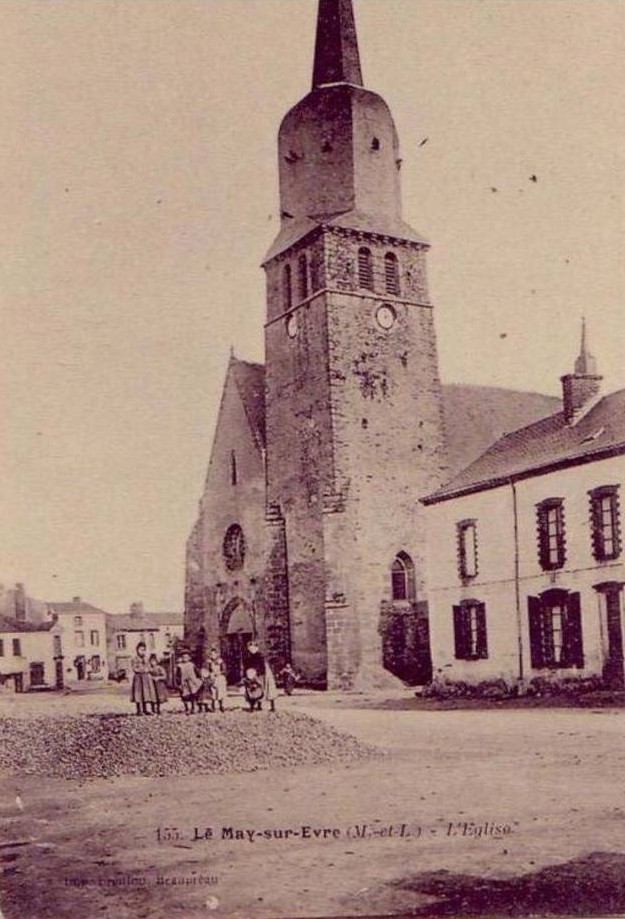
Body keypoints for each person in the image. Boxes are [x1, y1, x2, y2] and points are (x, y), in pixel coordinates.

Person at [243, 641, 277, 713]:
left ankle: (272, 706)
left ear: (257, 648)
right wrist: (247, 674)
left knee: (267, 689)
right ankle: (255, 706)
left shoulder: (260, 656)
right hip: (252, 675)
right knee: (252, 690)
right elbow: (246, 667)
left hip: (262, 674)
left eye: (253, 648)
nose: (252, 650)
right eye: (250, 648)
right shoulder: (248, 657)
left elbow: (262, 667)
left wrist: (257, 673)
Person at [131, 641, 157, 716]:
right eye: (141, 650)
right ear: (137, 650)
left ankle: (145, 709)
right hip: (138, 678)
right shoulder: (134, 659)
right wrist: (142, 670)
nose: (142, 652)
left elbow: (149, 667)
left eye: (144, 650)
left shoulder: (146, 659)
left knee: (146, 694)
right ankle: (139, 710)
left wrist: (149, 670)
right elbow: (135, 668)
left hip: (146, 679)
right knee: (138, 694)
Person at [175, 649, 202, 715]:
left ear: (189, 658)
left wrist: (199, 678)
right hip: (184, 682)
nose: (185, 659)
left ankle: (193, 708)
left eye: (186, 657)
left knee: (193, 694)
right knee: (184, 696)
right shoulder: (180, 666)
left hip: (192, 682)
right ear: (181, 658)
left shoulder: (192, 665)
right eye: (183, 657)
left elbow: (197, 672)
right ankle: (186, 708)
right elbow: (178, 675)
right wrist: (178, 682)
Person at [207, 647, 227, 713]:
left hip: (219, 678)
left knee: (220, 692)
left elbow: (224, 670)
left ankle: (221, 706)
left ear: (217, 654)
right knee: (213, 693)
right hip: (212, 678)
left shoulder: (220, 661)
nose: (213, 656)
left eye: (214, 654)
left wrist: (220, 672)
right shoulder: (209, 662)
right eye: (211, 654)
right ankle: (213, 707)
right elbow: (206, 670)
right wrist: (209, 674)